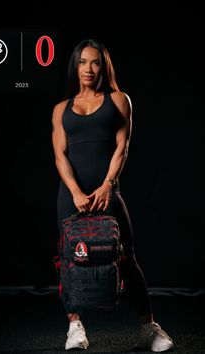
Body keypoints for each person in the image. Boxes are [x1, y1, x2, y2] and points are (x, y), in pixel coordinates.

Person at [51, 38, 174, 352]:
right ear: (74, 66)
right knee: (68, 260)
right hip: (71, 196)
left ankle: (149, 328)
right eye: (82, 62)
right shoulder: (61, 109)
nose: (88, 69)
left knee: (127, 258)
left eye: (94, 62)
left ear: (103, 67)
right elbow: (60, 156)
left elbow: (123, 147)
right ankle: (75, 328)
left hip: (108, 192)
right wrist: (76, 191)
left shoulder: (119, 100)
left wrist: (107, 185)